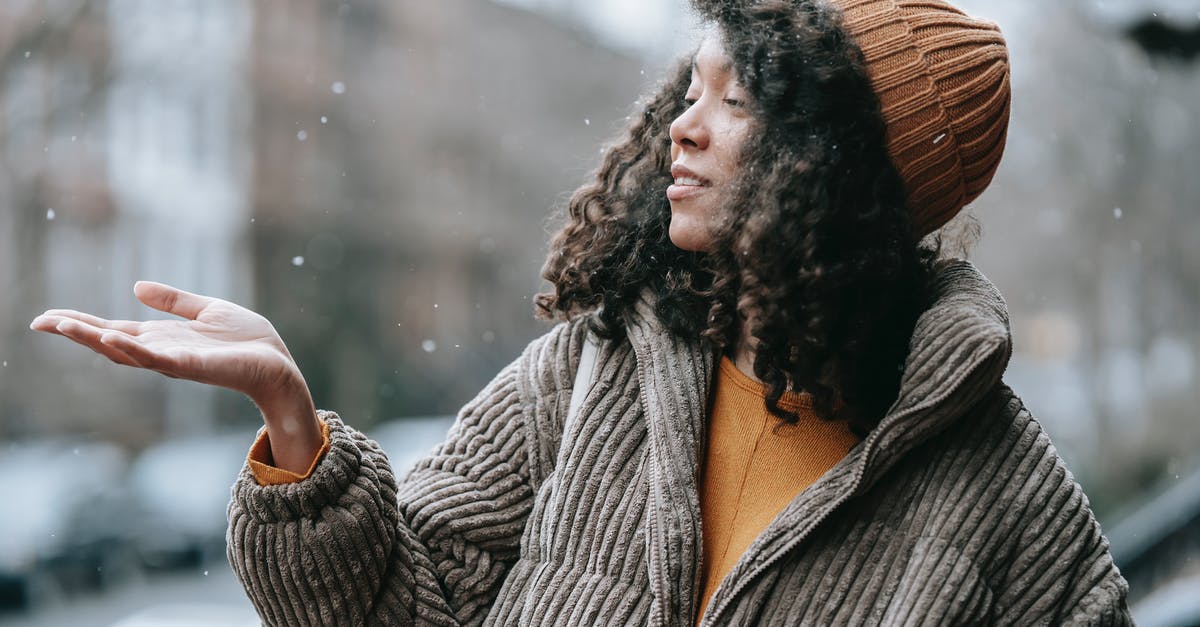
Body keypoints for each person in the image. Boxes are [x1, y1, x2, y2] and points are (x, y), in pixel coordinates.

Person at [31, 0, 1133, 624]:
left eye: (736, 102)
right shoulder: (591, 371)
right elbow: (395, 611)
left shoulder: (1005, 490)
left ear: (840, 172)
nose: (682, 130)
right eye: (689, 91)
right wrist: (292, 424)